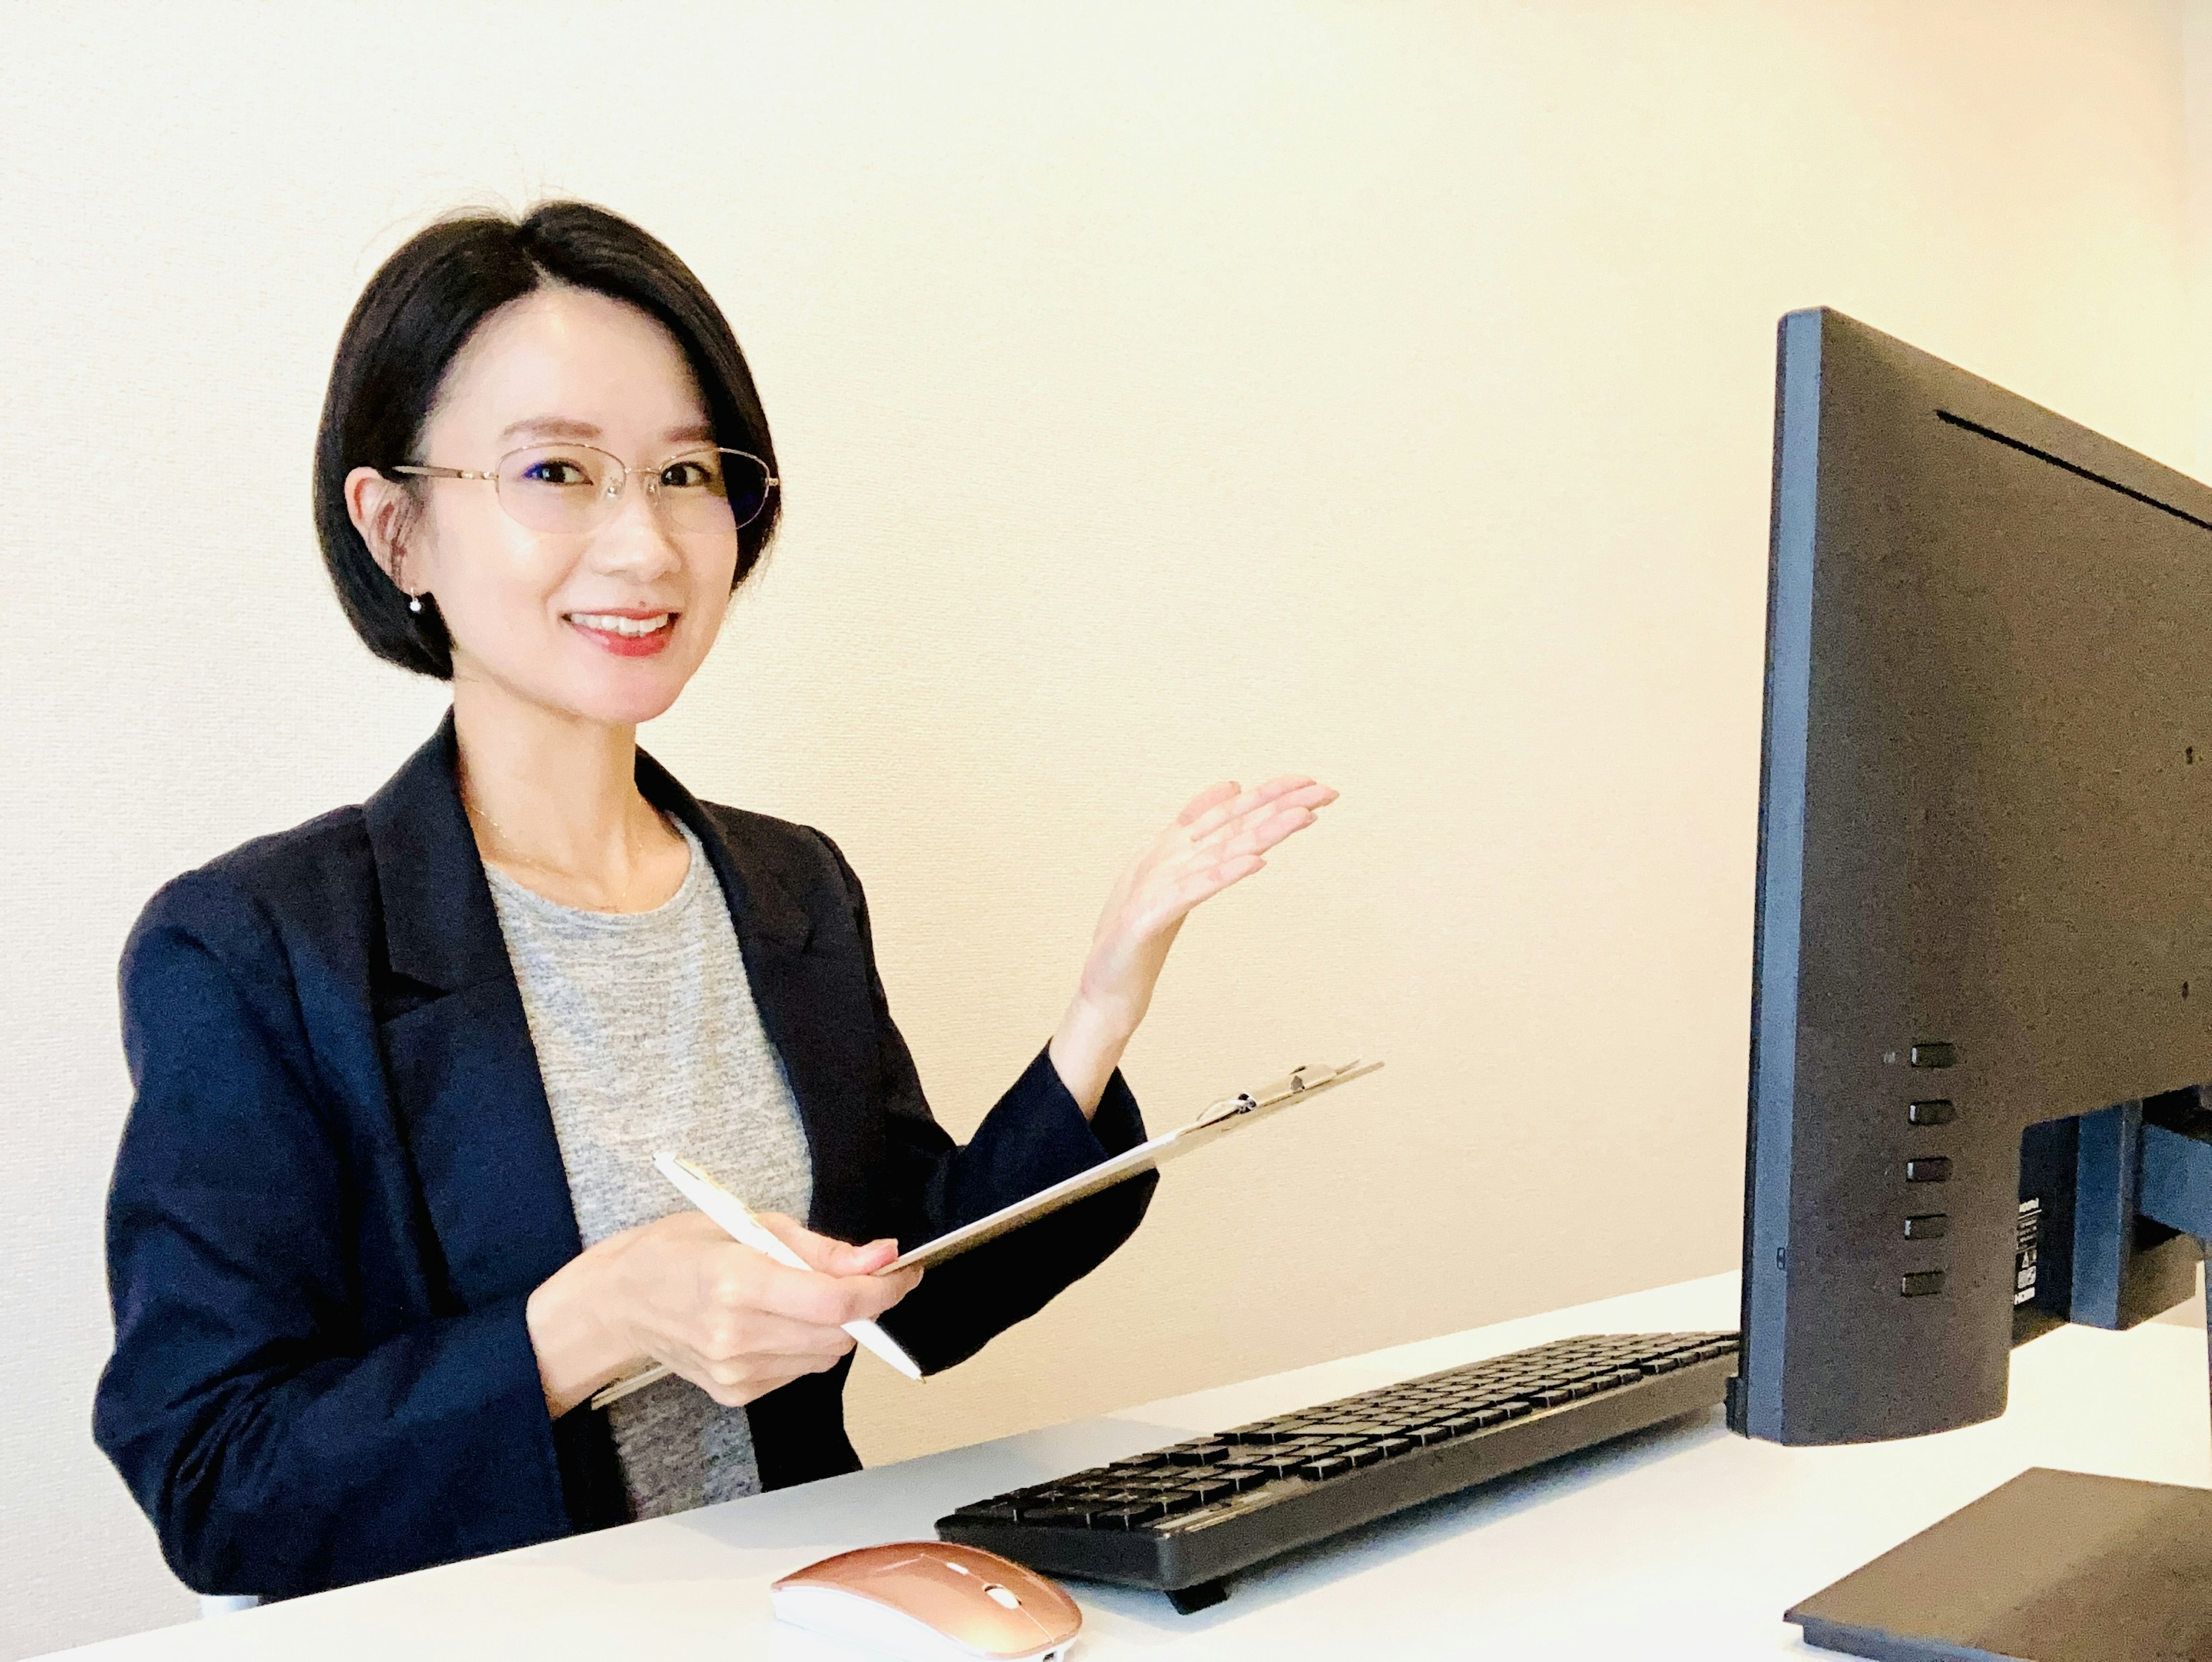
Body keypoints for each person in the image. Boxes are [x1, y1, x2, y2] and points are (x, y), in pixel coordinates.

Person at [91, 201, 1336, 1602]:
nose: (646, 545)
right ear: (397, 532)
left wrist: (1100, 1010)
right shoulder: (257, 945)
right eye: (557, 469)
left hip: (809, 1621)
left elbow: (910, 1301)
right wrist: (590, 1323)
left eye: (687, 472)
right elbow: (211, 1483)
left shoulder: (787, 883)